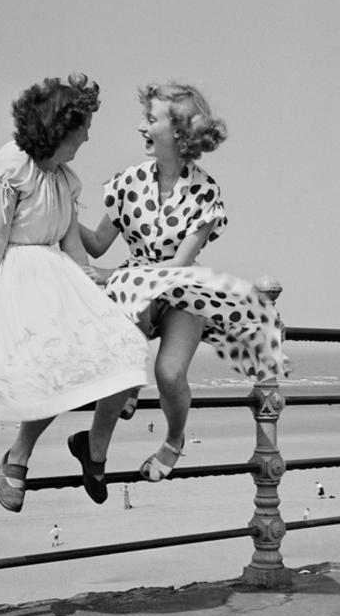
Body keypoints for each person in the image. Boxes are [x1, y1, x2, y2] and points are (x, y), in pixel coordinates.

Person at [0, 74, 149, 513]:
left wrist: (93, 282)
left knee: (127, 347)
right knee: (57, 360)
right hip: (22, 277)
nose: (88, 136)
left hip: (60, 276)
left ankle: (93, 446)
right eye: (83, 127)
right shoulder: (10, 167)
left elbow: (73, 245)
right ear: (61, 128)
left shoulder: (65, 180)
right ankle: (18, 456)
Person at [79, 82, 284, 482]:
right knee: (127, 338)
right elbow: (100, 244)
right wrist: (63, 211)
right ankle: (99, 443)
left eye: (150, 119)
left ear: (178, 132)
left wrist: (111, 277)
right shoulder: (127, 182)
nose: (141, 126)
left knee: (170, 374)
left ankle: (173, 441)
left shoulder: (205, 192)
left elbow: (177, 266)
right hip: (134, 289)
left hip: (181, 289)